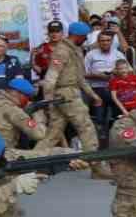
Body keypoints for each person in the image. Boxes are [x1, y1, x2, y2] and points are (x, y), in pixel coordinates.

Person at [42, 20, 104, 161]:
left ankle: (30, 160)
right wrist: (48, 102)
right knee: (86, 128)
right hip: (65, 95)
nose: (86, 39)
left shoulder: (75, 50)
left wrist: (93, 95)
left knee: (53, 134)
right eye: (85, 36)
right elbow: (50, 78)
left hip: (68, 93)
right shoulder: (62, 51)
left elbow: (80, 78)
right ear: (77, 35)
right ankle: (94, 163)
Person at [0, 76, 50, 150]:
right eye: (27, 97)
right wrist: (39, 117)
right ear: (19, 94)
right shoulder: (13, 110)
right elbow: (39, 134)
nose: (27, 101)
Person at [84, 28, 128, 138]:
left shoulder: (118, 54)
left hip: (116, 88)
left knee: (118, 114)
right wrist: (98, 75)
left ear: (112, 42)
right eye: (102, 40)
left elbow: (129, 71)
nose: (105, 43)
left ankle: (116, 133)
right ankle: (101, 133)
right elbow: (83, 74)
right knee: (99, 115)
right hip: (97, 87)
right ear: (98, 42)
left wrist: (117, 73)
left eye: (108, 40)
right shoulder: (91, 55)